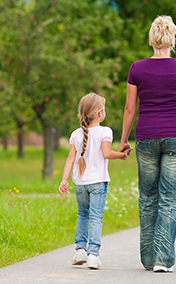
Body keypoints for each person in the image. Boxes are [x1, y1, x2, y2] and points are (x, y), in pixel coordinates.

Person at [119, 15, 176, 273]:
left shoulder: (137, 69)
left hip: (145, 138)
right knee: (169, 199)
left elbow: (130, 108)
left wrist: (123, 140)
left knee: (147, 199)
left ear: (151, 39)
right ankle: (162, 260)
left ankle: (147, 257)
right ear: (172, 39)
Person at [58, 93, 128, 270]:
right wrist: (122, 154)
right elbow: (107, 154)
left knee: (82, 214)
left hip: (80, 183)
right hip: (98, 182)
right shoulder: (105, 131)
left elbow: (70, 159)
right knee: (96, 217)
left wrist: (64, 180)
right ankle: (93, 255)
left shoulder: (75, 134)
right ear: (99, 114)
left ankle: (80, 250)